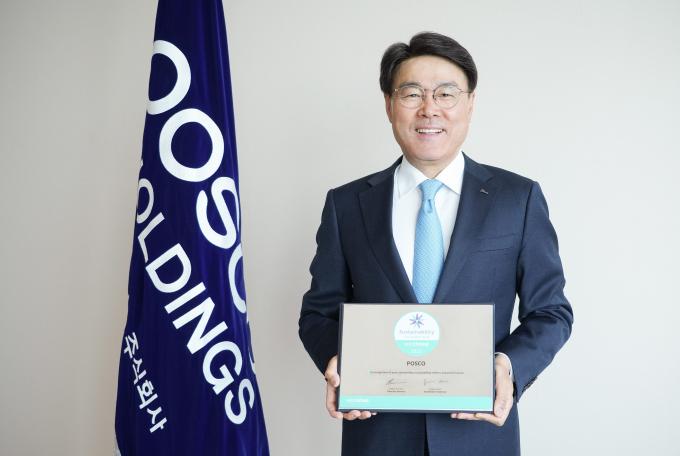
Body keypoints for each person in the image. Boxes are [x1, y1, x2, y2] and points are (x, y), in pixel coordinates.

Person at [298, 31, 573, 456]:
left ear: (470, 104)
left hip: (479, 437)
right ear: (389, 105)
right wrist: (338, 359)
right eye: (412, 94)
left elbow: (551, 312)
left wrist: (508, 367)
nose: (429, 109)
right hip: (377, 436)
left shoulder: (517, 199)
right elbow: (318, 312)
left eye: (446, 94)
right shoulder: (347, 205)